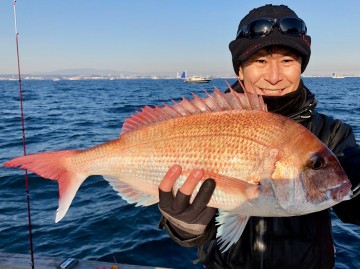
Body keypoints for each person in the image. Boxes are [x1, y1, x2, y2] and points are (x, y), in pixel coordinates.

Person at [157, 4, 360, 269]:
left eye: (287, 61)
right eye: (260, 61)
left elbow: (352, 202)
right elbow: (194, 235)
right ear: (239, 70)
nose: (274, 77)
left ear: (301, 67)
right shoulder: (203, 123)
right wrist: (185, 227)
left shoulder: (332, 133)